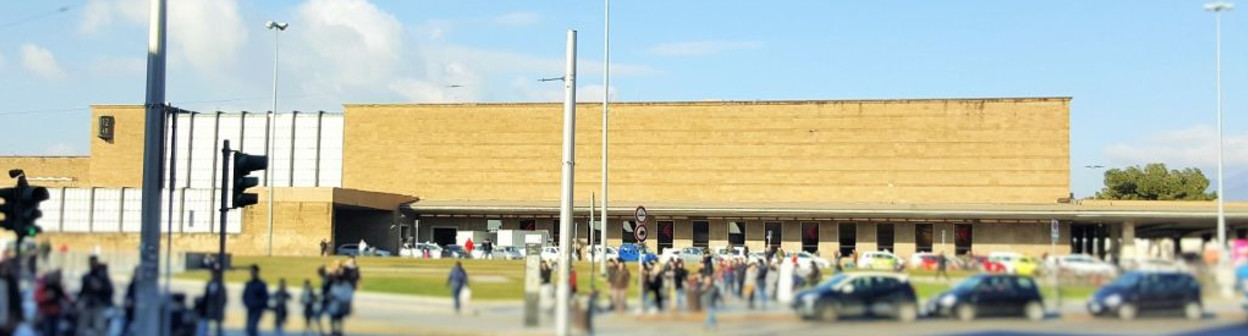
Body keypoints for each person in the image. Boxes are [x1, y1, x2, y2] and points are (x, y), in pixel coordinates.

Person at [78, 255, 115, 335]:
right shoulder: (87, 277)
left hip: (98, 304)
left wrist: (100, 287)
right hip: (88, 304)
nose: (92, 264)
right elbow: (83, 291)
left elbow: (109, 290)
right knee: (83, 328)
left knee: (99, 328)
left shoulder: (102, 276)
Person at [36, 269, 69, 336]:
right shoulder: (44, 287)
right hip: (46, 312)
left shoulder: (57, 287)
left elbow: (64, 297)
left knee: (54, 330)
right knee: (48, 330)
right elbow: (38, 298)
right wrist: (46, 296)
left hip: (56, 312)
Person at [243, 265, 270, 336]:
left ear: (257, 272)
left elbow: (265, 297)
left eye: (253, 272)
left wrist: (259, 305)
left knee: (252, 327)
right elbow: (244, 295)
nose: (251, 273)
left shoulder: (261, 284)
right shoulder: (249, 284)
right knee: (249, 328)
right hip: (250, 308)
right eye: (251, 272)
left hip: (257, 309)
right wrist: (247, 303)